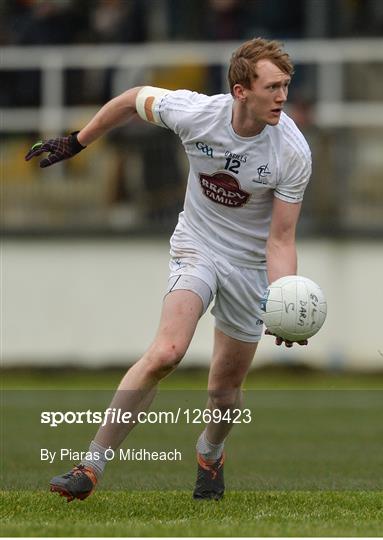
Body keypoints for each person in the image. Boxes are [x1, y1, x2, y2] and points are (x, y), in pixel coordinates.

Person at [25, 38, 311, 502]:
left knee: (223, 394)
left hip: (249, 266)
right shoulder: (196, 112)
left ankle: (209, 453)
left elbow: (280, 238)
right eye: (273, 87)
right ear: (241, 91)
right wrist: (78, 141)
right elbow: (132, 99)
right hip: (197, 245)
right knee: (167, 351)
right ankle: (90, 465)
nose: (283, 97)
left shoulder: (292, 151)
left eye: (286, 86)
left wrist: (283, 298)